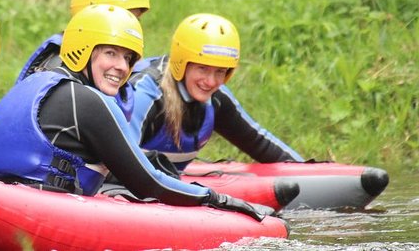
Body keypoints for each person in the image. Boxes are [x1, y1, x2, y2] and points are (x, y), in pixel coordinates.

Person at [0, 4, 274, 221]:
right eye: (110, 53)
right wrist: (217, 199)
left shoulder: (38, 81)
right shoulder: (86, 101)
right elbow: (149, 183)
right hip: (36, 213)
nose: (122, 66)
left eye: (128, 57)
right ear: (83, 49)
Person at [128, 13, 304, 173]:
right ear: (182, 62)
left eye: (220, 71)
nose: (211, 81)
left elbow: (260, 144)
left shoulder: (216, 99)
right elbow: (114, 161)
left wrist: (306, 173)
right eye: (202, 68)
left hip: (159, 182)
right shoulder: (145, 96)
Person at [16, 0, 150, 83]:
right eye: (123, 18)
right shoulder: (61, 68)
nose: (133, 27)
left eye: (136, 20)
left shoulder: (122, 62)